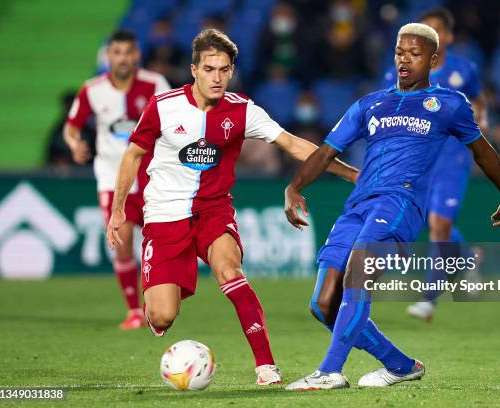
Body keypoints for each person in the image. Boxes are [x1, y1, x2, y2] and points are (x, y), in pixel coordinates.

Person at [105, 29, 358, 386]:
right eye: (209, 69)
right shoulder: (163, 106)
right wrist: (118, 210)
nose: (217, 77)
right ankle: (155, 306)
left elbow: (292, 144)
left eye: (224, 69)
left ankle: (266, 366)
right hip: (164, 215)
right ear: (194, 69)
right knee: (162, 317)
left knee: (229, 270)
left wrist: (350, 174)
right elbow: (133, 155)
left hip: (213, 210)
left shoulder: (242, 111)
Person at [284, 23, 500, 389]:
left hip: (400, 204)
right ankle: (400, 364)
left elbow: (482, 151)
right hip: (358, 204)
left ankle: (329, 371)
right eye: (399, 52)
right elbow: (327, 151)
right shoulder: (370, 103)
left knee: (358, 275)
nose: (405, 59)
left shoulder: (448, 104)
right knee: (323, 303)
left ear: (433, 59)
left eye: (415, 53)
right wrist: (295, 185)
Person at [381, 8, 488, 321]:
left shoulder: (464, 69)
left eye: (436, 31)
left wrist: (479, 119)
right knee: (432, 223)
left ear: (449, 37)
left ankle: (429, 299)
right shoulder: (399, 72)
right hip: (415, 160)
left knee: (439, 225)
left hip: (452, 156)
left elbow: (478, 99)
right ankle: (466, 260)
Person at [64, 29, 170, 330]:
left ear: (136, 55)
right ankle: (134, 310)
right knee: (121, 243)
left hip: (152, 176)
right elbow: (72, 127)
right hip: (111, 178)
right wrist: (74, 144)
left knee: (158, 244)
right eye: (117, 52)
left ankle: (156, 306)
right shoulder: (92, 89)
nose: (122, 58)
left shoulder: (155, 84)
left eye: (128, 52)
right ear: (108, 56)